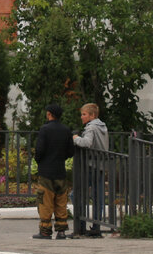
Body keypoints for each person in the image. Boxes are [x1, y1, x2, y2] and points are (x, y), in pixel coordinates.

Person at [33, 102, 74, 240]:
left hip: (46, 171)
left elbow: (39, 150)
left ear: (49, 114)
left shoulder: (45, 129)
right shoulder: (66, 130)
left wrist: (39, 160)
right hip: (60, 170)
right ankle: (61, 231)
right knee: (61, 201)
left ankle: (45, 231)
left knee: (45, 200)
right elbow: (70, 151)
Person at [73, 102, 110, 237]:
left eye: (84, 114)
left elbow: (87, 143)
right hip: (100, 165)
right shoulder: (103, 127)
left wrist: (76, 138)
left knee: (76, 194)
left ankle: (81, 225)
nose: (82, 117)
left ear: (92, 115)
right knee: (97, 197)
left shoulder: (91, 128)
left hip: (90, 165)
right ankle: (96, 226)